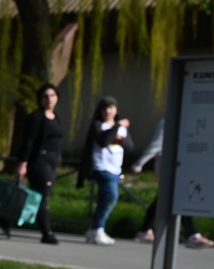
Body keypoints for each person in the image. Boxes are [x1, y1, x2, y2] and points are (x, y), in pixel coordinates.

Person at [131, 119, 214, 248]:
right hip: (168, 166)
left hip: (181, 166)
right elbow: (157, 143)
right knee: (180, 197)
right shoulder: (168, 121)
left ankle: (144, 230)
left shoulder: (189, 118)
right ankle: (192, 234)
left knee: (163, 199)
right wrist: (139, 163)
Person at [11, 83, 65, 245]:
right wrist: (23, 163)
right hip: (39, 161)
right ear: (40, 99)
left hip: (51, 162)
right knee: (42, 196)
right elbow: (29, 141)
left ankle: (10, 218)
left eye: (52, 96)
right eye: (45, 96)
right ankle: (46, 233)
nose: (49, 99)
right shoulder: (36, 117)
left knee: (38, 196)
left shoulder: (56, 117)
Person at [76, 96, 129, 246]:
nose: (108, 111)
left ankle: (95, 229)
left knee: (103, 200)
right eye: (105, 108)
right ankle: (97, 228)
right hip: (101, 167)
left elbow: (130, 146)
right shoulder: (98, 125)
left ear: (116, 110)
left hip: (116, 170)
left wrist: (120, 133)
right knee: (112, 197)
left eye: (111, 107)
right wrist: (116, 127)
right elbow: (103, 141)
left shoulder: (121, 128)